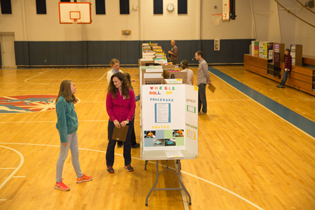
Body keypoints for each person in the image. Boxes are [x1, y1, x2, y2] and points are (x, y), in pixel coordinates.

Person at [55, 80, 92, 191]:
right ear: (67, 87)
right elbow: (61, 121)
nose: (75, 87)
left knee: (75, 154)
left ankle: (80, 176)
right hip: (66, 133)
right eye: (73, 85)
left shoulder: (69, 98)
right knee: (63, 156)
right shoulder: (61, 101)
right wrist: (63, 138)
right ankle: (58, 182)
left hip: (73, 131)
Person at [106, 72, 136, 173]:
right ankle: (109, 165)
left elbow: (132, 107)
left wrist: (127, 120)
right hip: (114, 123)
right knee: (112, 144)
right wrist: (114, 120)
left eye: (116, 81)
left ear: (122, 81)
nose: (114, 83)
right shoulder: (110, 93)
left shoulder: (130, 92)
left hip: (126, 122)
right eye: (113, 82)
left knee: (127, 144)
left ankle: (127, 163)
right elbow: (108, 108)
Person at [124, 73, 140, 148]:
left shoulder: (121, 88)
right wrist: (141, 95)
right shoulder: (129, 88)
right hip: (130, 112)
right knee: (131, 128)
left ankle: (124, 142)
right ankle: (133, 144)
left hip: (123, 111)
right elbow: (134, 99)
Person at [195, 51, 211, 115]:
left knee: (202, 97)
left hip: (202, 82)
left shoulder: (204, 63)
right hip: (199, 82)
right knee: (199, 97)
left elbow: (206, 72)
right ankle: (198, 109)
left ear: (200, 56)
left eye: (196, 56)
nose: (195, 57)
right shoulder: (200, 63)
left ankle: (204, 110)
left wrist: (208, 80)